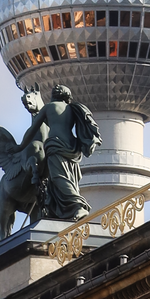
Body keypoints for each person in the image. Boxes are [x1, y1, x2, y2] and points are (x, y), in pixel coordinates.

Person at [26, 83, 101, 222]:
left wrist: (20, 147)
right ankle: (60, 210)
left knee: (58, 177)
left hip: (56, 144)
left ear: (54, 95)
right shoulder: (72, 109)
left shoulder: (48, 107)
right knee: (69, 178)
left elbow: (33, 130)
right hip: (72, 146)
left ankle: (78, 206)